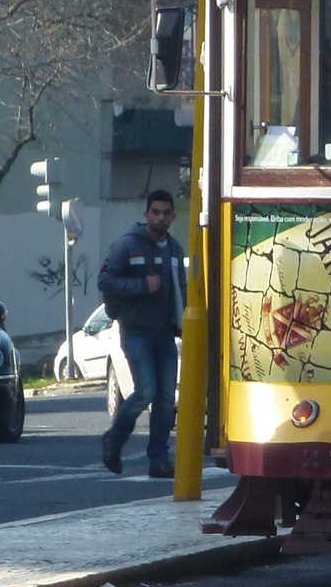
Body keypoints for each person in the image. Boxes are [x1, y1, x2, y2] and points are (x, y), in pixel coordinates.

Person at [98, 190, 185, 479]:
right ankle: (114, 440)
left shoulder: (174, 249)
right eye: (155, 212)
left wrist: (183, 322)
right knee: (146, 391)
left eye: (166, 212)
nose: (161, 217)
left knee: (165, 399)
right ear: (146, 214)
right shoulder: (127, 245)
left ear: (173, 216)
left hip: (164, 333)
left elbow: (180, 291)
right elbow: (105, 280)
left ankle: (159, 460)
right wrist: (141, 287)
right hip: (135, 332)